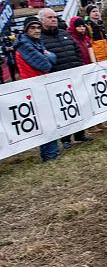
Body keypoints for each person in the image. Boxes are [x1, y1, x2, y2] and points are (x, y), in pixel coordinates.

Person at [38, 8, 92, 149]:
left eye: (55, 17)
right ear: (42, 20)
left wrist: (79, 67)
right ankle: (66, 139)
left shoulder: (65, 34)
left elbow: (77, 51)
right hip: (56, 80)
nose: (53, 19)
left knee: (78, 105)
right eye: (49, 17)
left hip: (74, 77)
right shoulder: (40, 40)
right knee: (63, 109)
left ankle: (80, 134)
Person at [14, 17, 60, 161]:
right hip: (33, 88)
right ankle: (50, 154)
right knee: (46, 121)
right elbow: (45, 65)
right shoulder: (24, 46)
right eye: (32, 28)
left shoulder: (36, 43)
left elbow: (53, 57)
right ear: (26, 30)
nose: (37, 30)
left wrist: (48, 56)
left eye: (38, 28)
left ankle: (50, 153)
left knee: (48, 119)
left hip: (40, 85)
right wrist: (48, 56)